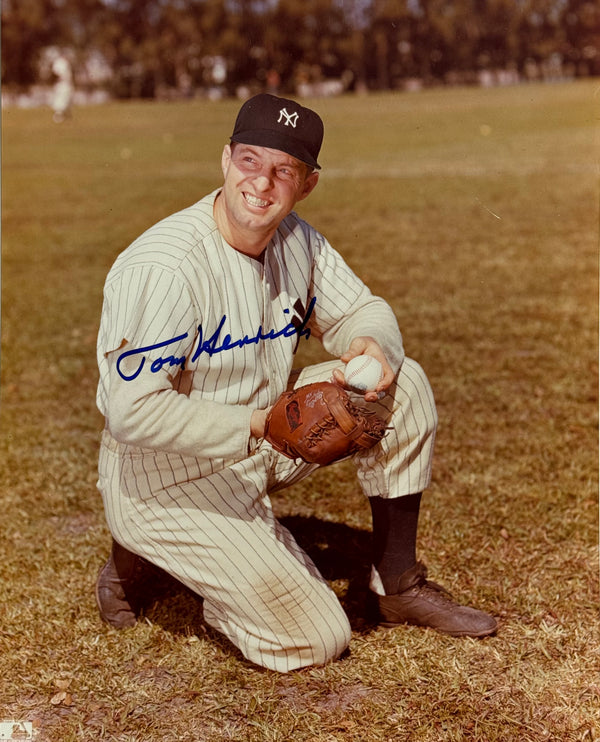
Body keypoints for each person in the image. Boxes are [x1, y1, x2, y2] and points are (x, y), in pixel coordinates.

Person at [95, 94, 497, 673]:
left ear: (305, 184)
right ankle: (144, 556)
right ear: (226, 160)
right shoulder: (165, 267)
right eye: (250, 161)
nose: (261, 183)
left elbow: (363, 308)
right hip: (161, 477)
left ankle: (399, 583)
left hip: (262, 441)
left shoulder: (297, 240)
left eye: (283, 170)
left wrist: (371, 345)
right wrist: (258, 423)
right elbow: (131, 412)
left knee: (400, 386)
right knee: (315, 636)